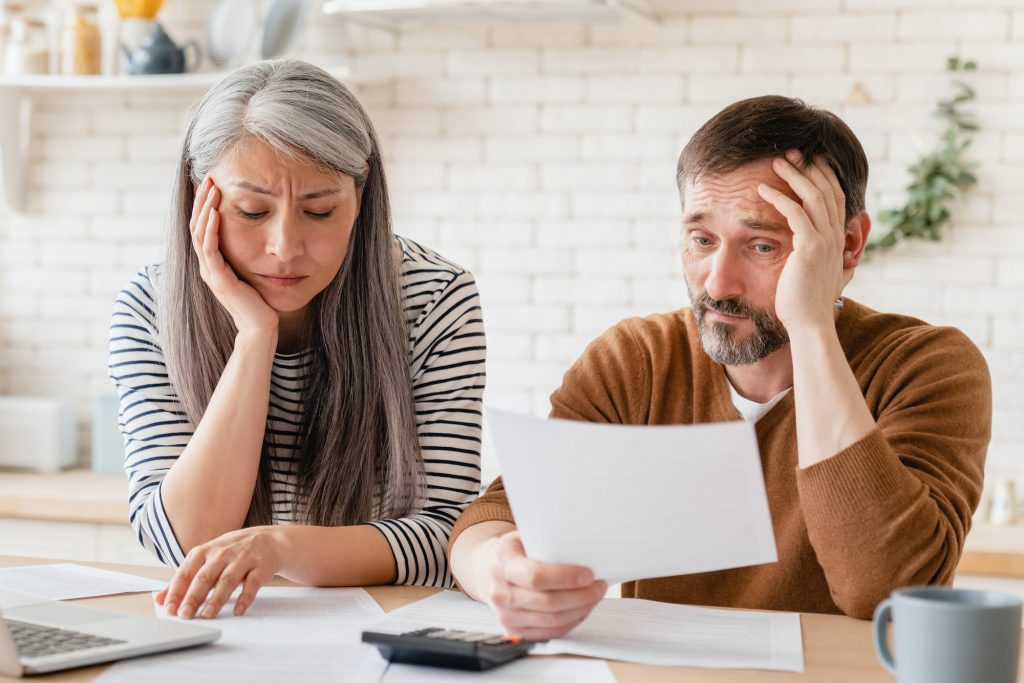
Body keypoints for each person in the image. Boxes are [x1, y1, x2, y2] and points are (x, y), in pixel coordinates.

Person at [448, 95, 991, 640]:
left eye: (761, 245)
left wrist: (810, 328)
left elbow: (883, 590)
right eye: (702, 240)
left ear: (846, 246)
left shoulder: (927, 366)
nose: (716, 284)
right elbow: (496, 515)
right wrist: (498, 569)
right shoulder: (637, 361)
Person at [108, 59, 485, 620]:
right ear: (198, 198)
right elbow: (181, 538)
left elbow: (441, 541)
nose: (285, 246)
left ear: (362, 198)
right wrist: (254, 336)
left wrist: (280, 545)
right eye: (252, 210)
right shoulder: (149, 307)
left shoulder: (434, 300)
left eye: (319, 210)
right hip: (226, 630)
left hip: (390, 627)